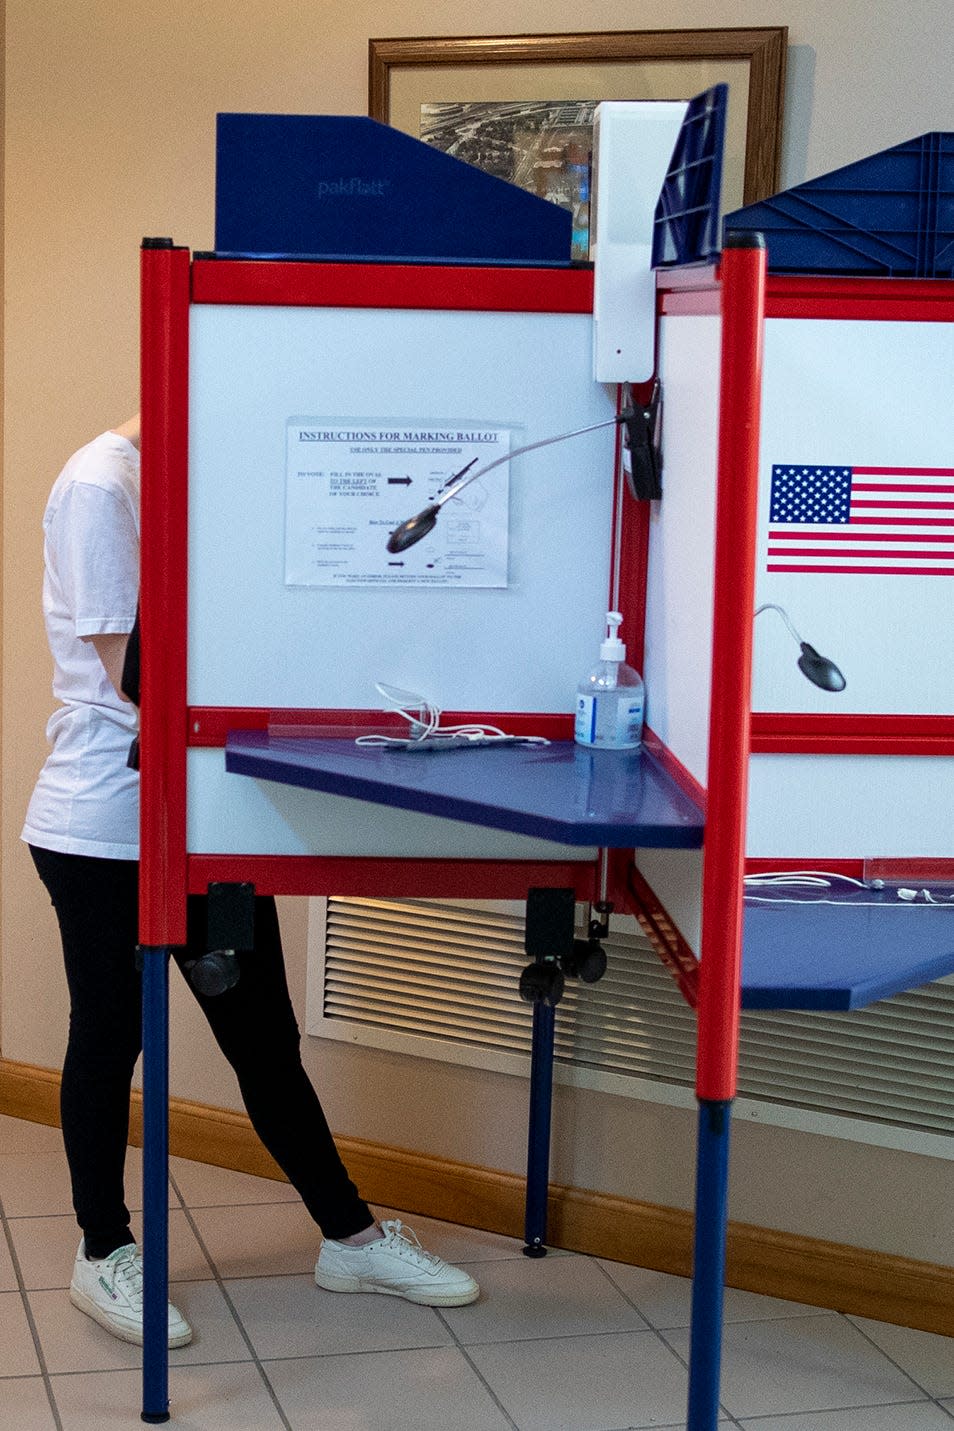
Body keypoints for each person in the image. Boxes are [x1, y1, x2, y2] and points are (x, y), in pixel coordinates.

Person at [22, 416, 479, 1348]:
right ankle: (101, 1252)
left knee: (265, 1037)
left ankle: (348, 1236)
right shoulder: (103, 486)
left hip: (205, 817)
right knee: (111, 1041)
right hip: (107, 824)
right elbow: (135, 672)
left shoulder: (192, 482)